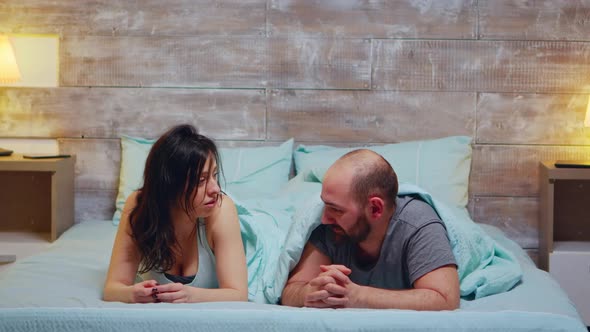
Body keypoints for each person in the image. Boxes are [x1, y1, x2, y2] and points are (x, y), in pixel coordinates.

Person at [281, 149, 459, 310]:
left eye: (336, 209)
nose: (324, 218)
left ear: (375, 209)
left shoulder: (417, 225)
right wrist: (311, 292)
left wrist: (358, 296)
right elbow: (290, 292)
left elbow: (445, 299)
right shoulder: (329, 228)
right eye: (326, 205)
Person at [103, 124, 247, 303]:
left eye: (215, 175)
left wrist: (191, 295)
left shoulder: (221, 209)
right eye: (201, 180)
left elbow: (239, 293)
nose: (216, 189)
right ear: (170, 186)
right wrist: (132, 294)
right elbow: (113, 288)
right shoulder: (139, 206)